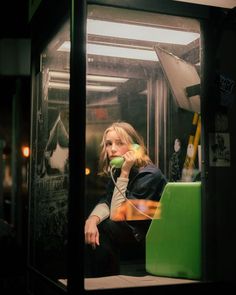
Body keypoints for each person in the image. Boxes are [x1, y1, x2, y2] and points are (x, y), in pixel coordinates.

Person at [84, 121, 167, 277]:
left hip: (148, 239)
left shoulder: (148, 175)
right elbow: (107, 200)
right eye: (108, 144)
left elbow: (117, 214)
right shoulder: (119, 171)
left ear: (134, 148)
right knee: (93, 227)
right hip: (130, 234)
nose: (112, 149)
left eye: (119, 143)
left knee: (105, 227)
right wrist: (92, 220)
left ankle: (106, 282)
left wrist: (124, 172)